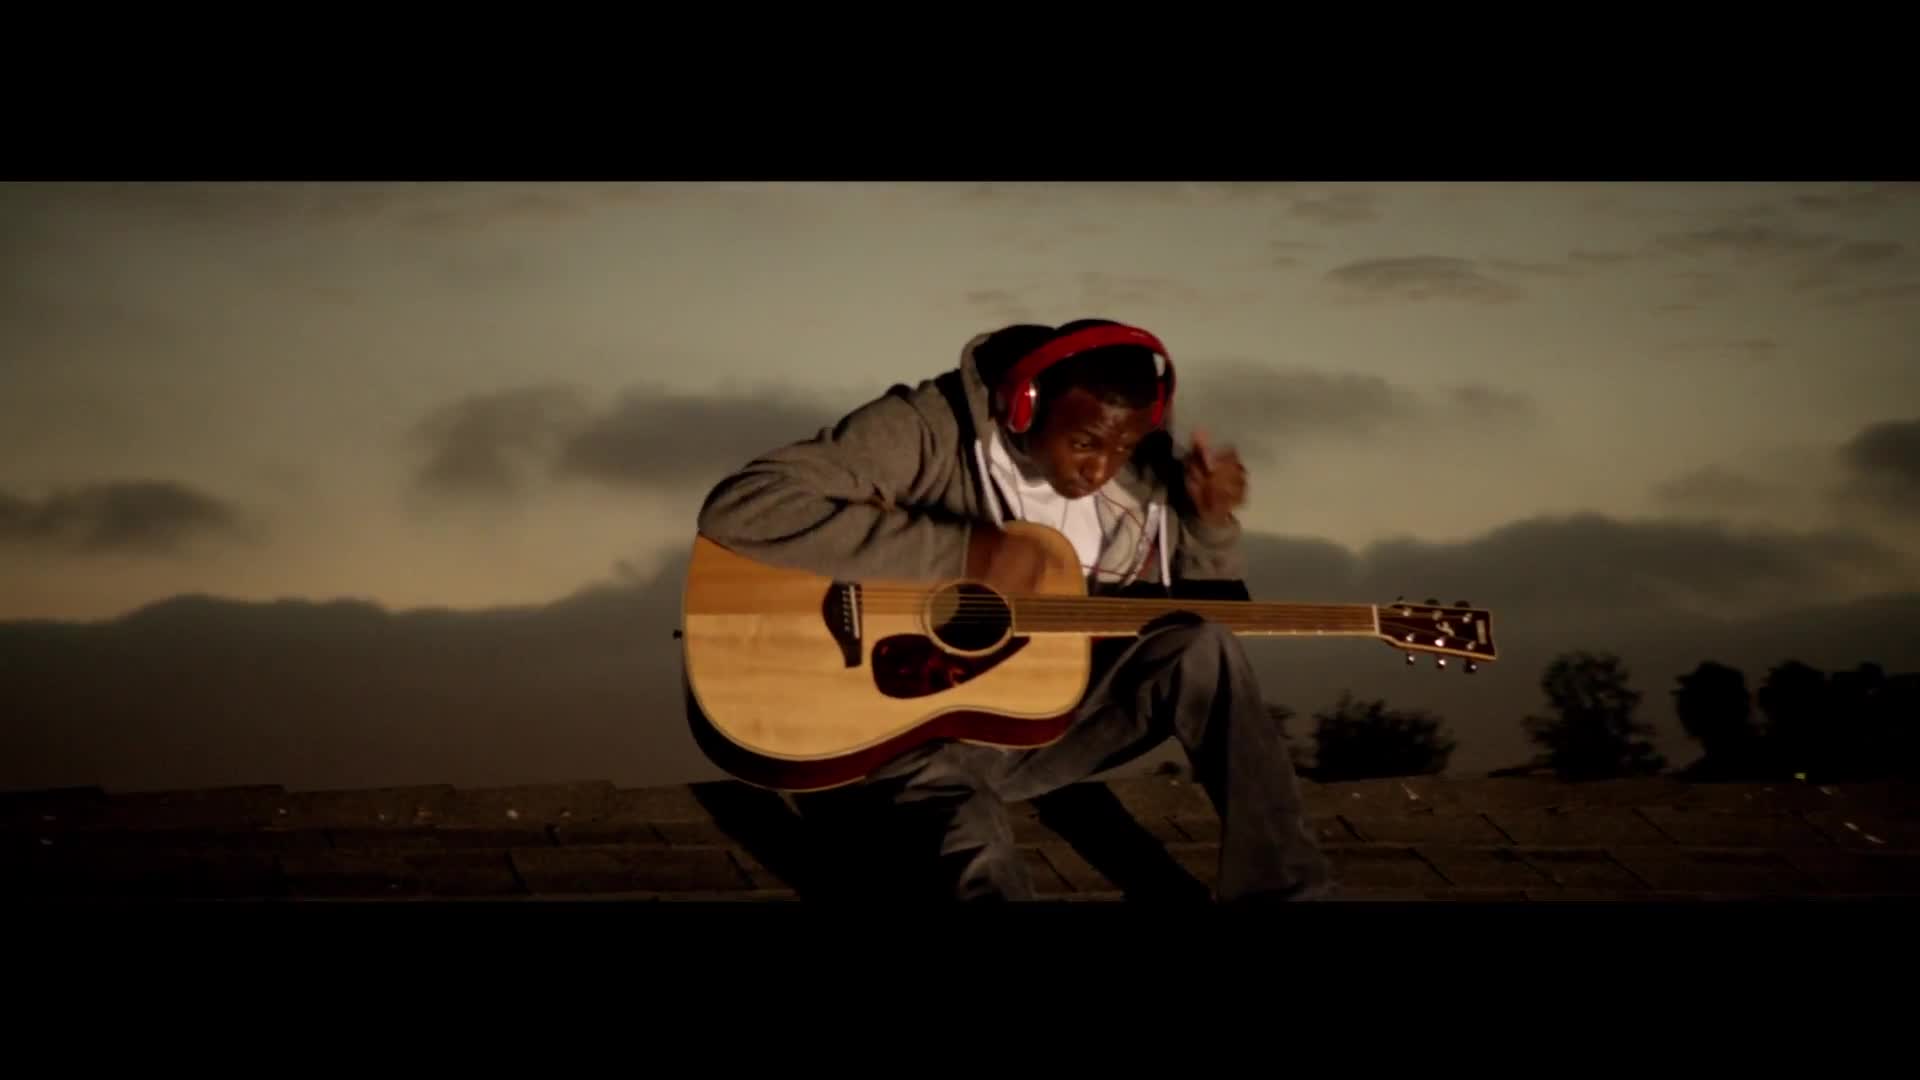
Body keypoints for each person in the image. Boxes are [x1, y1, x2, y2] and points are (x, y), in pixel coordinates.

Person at [695, 318, 1333, 902]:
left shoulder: (1138, 474)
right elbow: (746, 505)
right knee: (980, 854)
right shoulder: (929, 428)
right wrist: (963, 552)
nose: (1100, 468)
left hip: (1039, 726)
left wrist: (1210, 525)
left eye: (1121, 448)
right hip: (901, 737)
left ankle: (1288, 891)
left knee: (1204, 649)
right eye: (1084, 443)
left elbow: (1205, 616)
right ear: (1024, 405)